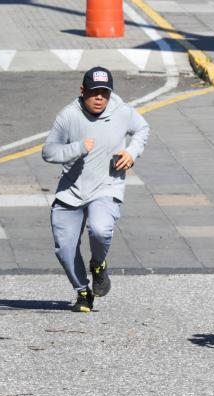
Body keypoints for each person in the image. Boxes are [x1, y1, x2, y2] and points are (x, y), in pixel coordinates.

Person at [42, 66, 149, 313]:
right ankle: (82, 290)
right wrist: (77, 147)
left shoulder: (121, 111)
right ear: (82, 91)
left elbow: (142, 129)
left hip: (106, 186)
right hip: (71, 191)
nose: (99, 97)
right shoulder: (68, 116)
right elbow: (48, 152)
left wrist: (131, 152)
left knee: (100, 230)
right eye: (94, 92)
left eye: (105, 92)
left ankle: (98, 265)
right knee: (65, 248)